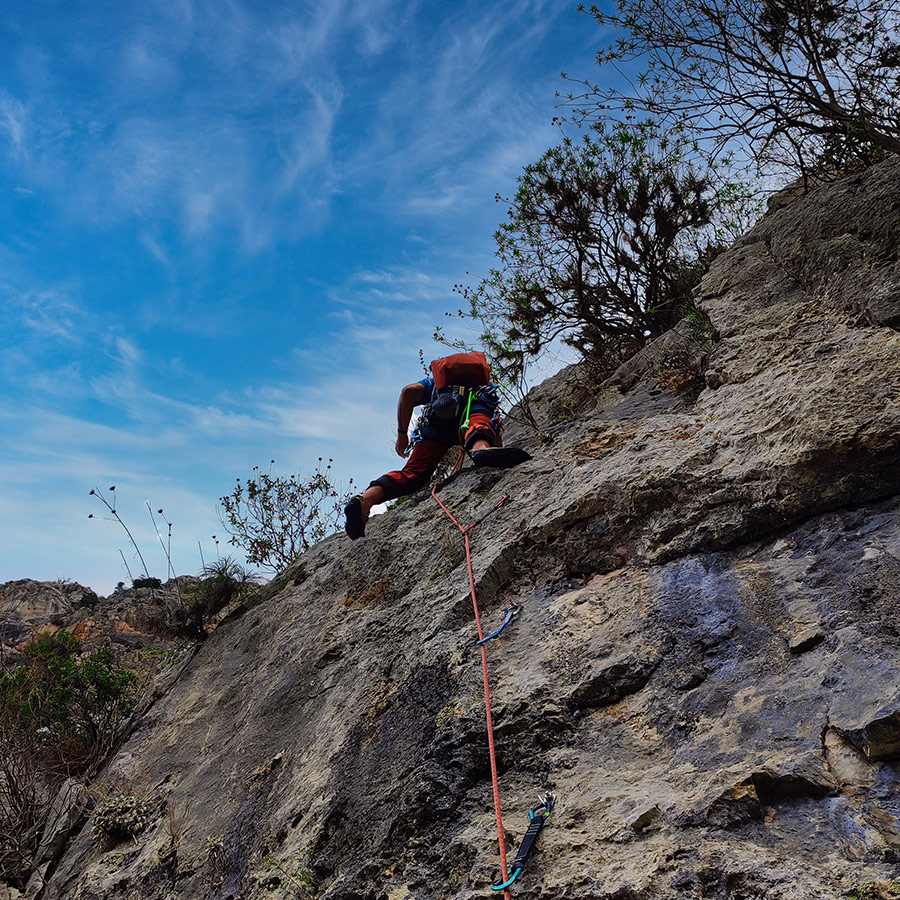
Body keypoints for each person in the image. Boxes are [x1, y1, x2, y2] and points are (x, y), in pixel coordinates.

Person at [344, 353, 530, 539]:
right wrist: (496, 448)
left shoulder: (436, 384)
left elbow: (408, 391)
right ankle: (480, 450)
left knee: (413, 474)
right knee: (477, 427)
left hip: (437, 421)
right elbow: (494, 428)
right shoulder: (484, 386)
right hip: (472, 410)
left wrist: (402, 436)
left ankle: (365, 501)